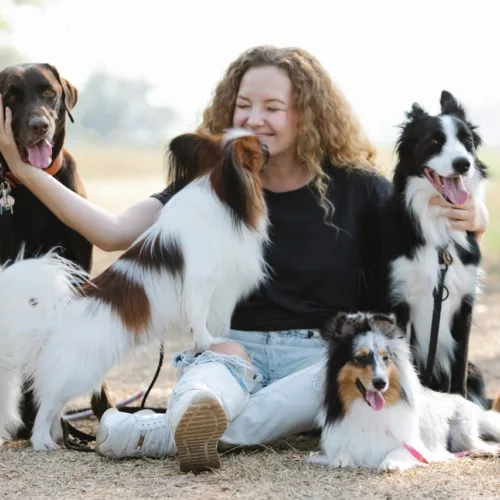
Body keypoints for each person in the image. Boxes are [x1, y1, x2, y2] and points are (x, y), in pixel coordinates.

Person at [0, 45, 489, 472]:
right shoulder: (209, 183)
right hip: (231, 350)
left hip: (313, 356)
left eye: (273, 107)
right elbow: (112, 233)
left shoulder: (356, 187)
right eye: (244, 105)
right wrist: (25, 169)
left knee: (308, 391)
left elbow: (418, 217)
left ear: (307, 114)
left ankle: (146, 434)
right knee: (202, 391)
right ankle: (193, 418)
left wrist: (478, 214)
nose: (255, 118)